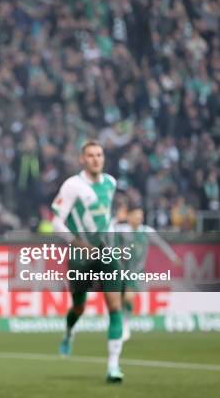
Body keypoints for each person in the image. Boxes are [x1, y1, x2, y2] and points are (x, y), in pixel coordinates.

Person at [50, 140, 124, 383]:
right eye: (91, 155)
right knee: (79, 307)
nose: (96, 159)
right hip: (81, 257)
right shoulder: (73, 185)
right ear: (82, 159)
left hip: (106, 252)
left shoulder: (111, 183)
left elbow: (104, 217)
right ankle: (69, 331)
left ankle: (113, 367)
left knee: (114, 306)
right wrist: (79, 244)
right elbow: (56, 222)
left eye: (99, 155)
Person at [114, 204, 181, 341]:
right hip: (121, 269)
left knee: (128, 297)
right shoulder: (121, 230)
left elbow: (161, 244)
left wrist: (173, 257)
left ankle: (125, 325)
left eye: (141, 216)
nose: (139, 218)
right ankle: (122, 321)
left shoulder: (146, 231)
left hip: (136, 271)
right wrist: (116, 219)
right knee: (120, 299)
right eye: (137, 216)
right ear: (129, 217)